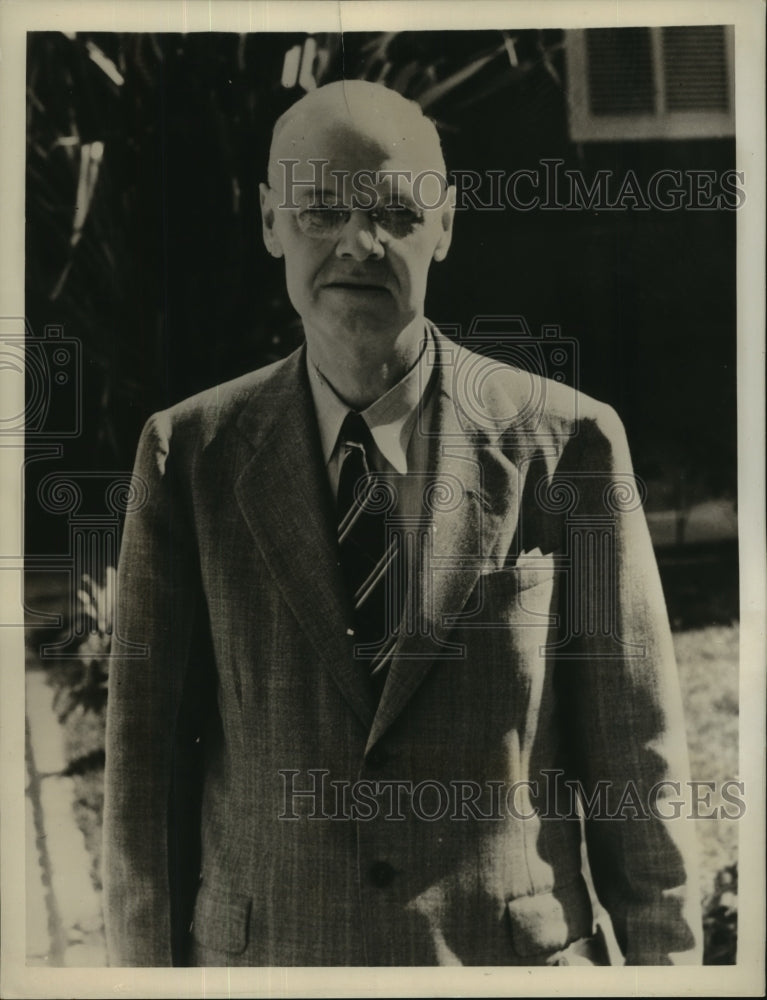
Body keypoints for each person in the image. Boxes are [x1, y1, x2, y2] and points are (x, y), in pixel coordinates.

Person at [103, 79, 702, 967]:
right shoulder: (188, 456)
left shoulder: (565, 446)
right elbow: (146, 784)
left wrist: (670, 971)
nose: (357, 241)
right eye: (320, 208)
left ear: (446, 224)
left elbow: (635, 766)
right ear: (269, 221)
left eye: (392, 208)